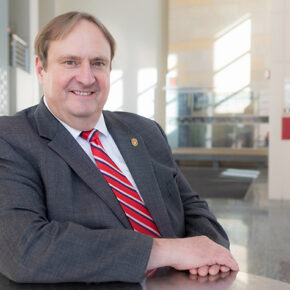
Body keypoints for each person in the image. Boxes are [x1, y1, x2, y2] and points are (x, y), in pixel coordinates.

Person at [0, 11, 238, 283]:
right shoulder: (11, 138)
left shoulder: (145, 131)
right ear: (41, 70)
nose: (87, 77)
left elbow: (192, 207)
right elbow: (23, 248)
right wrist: (165, 251)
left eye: (98, 63)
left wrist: (210, 251)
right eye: (70, 62)